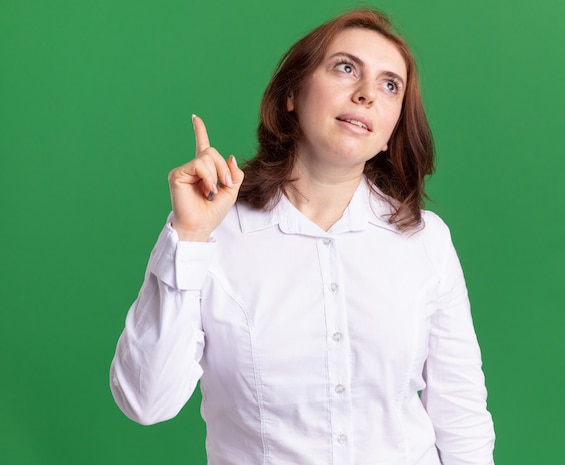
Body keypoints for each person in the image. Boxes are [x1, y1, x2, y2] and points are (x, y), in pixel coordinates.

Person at [110, 8, 495, 465]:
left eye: (390, 85)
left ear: (392, 131)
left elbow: (461, 418)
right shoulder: (213, 232)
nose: (367, 93)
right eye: (346, 67)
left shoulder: (426, 240)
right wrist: (189, 238)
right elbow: (145, 402)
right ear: (292, 93)